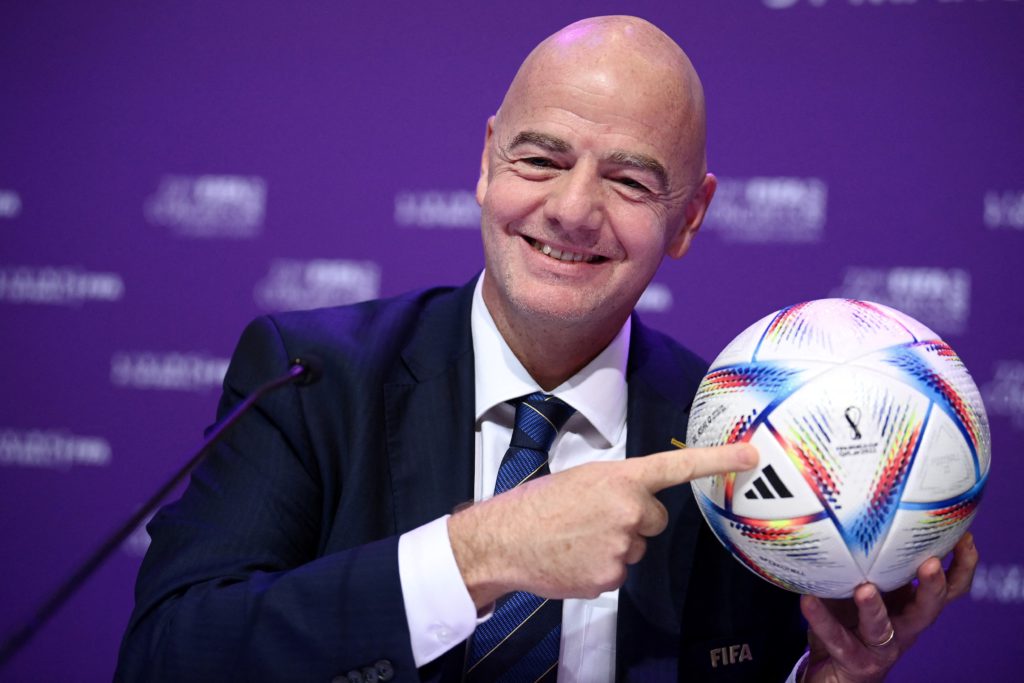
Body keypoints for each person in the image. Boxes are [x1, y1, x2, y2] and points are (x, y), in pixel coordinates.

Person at [116, 15, 978, 683]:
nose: (572, 209)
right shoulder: (310, 376)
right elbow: (166, 656)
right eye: (541, 159)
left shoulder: (746, 441)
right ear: (488, 161)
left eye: (630, 179)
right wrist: (482, 553)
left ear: (689, 217)